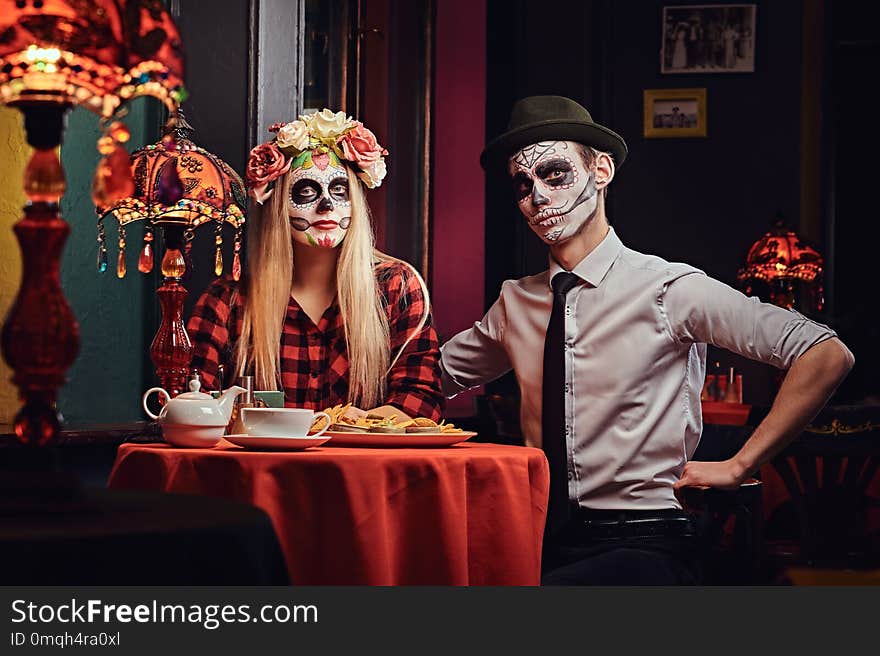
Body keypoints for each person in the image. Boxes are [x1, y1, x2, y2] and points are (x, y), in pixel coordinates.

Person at [439, 95, 854, 585]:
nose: (538, 198)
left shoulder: (670, 289)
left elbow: (826, 353)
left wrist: (741, 464)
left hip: (646, 541)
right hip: (537, 532)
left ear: (601, 171)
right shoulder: (516, 303)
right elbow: (425, 379)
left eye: (554, 174)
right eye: (522, 184)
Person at [188, 109, 444, 423]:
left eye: (339, 190)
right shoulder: (229, 300)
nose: (327, 206)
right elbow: (192, 405)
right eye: (307, 191)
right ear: (279, 202)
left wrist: (348, 425)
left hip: (361, 471)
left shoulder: (397, 286)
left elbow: (420, 401)